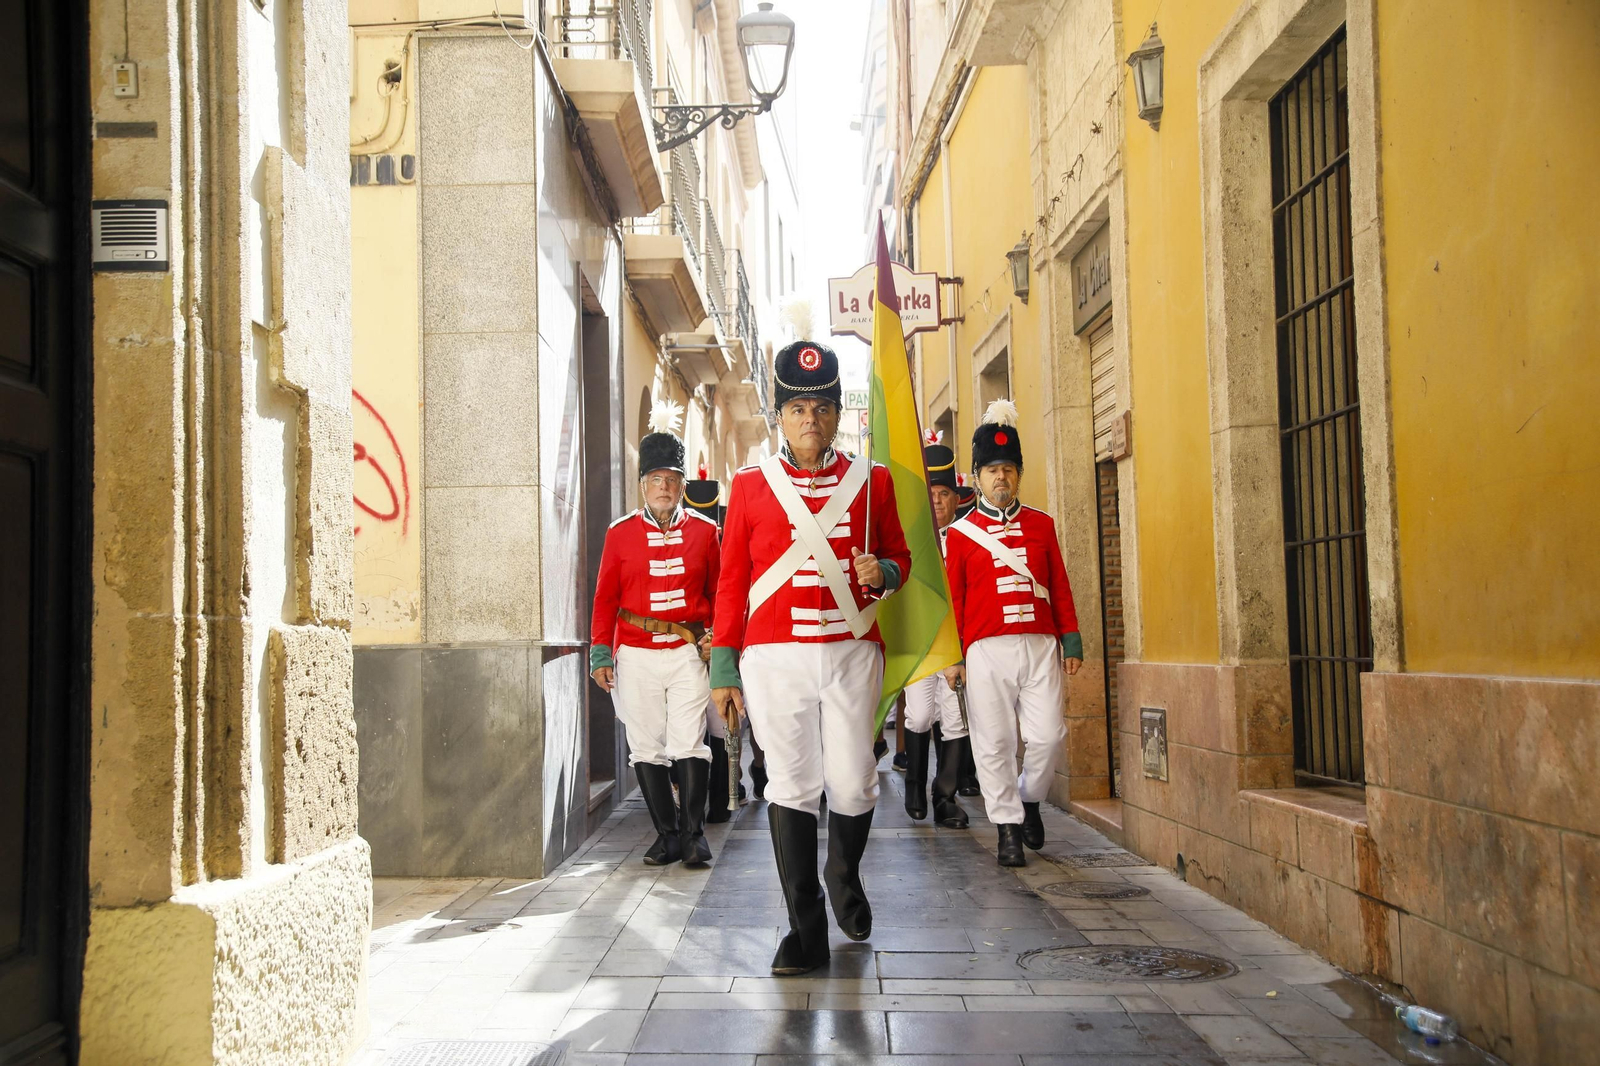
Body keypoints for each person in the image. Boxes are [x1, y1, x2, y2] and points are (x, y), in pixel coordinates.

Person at [711, 340, 912, 976]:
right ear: (781, 416)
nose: (809, 420)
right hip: (773, 656)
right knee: (790, 784)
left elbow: (902, 561)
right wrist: (722, 664)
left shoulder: (871, 481)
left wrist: (881, 570)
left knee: (854, 780)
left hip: (852, 649)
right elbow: (731, 581)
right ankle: (805, 926)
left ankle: (843, 875)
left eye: (821, 408)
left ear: (835, 414)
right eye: (797, 409)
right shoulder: (749, 486)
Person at [942, 399, 1083, 867]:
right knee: (994, 742)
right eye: (991, 470)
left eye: (1008, 468)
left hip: (1042, 644)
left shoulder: (1041, 525)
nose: (1001, 477)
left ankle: (1029, 801)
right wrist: (954, 657)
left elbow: (1058, 582)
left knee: (1047, 737)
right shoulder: (961, 535)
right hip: (985, 650)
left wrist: (1072, 638)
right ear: (977, 477)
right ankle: (1006, 827)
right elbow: (955, 601)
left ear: (1018, 473)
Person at [590, 401, 720, 866]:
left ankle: (693, 835)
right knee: (646, 744)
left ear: (682, 485)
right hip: (636, 654)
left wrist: (715, 639)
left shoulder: (706, 533)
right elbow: (604, 598)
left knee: (690, 740)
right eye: (655, 481)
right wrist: (601, 655)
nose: (664, 489)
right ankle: (666, 835)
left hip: (687, 653)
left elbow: (720, 592)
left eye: (671, 481)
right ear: (643, 485)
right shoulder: (619, 533)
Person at [900, 438, 969, 829]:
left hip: (957, 647)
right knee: (922, 714)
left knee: (956, 718)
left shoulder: (968, 538)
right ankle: (914, 787)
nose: (938, 501)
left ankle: (946, 797)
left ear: (956, 500)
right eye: (932, 494)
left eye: (944, 494)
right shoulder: (910, 542)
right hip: (921, 645)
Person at [685, 473, 737, 824]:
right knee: (689, 727)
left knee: (722, 725)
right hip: (687, 641)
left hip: (718, 640)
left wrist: (718, 638)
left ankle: (722, 798)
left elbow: (730, 594)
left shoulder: (725, 537)